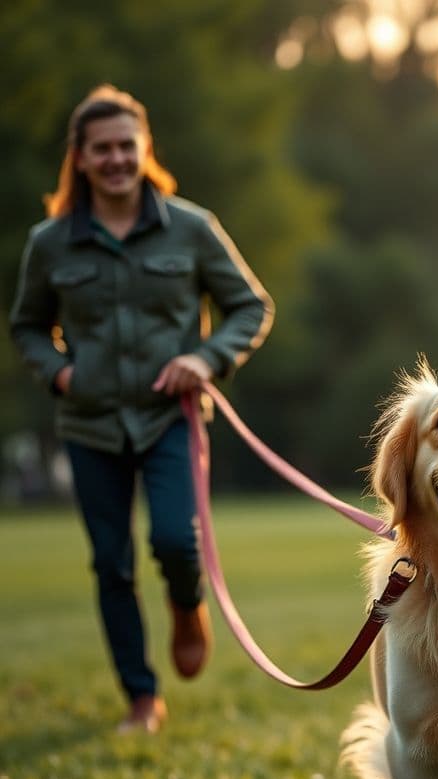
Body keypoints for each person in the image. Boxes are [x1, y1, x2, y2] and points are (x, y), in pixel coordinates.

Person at [9, 85, 274, 733]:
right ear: (80, 157)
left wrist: (207, 359)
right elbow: (27, 327)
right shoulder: (50, 243)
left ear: (145, 148)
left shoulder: (192, 227)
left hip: (170, 421)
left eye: (128, 146)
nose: (117, 159)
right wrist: (60, 373)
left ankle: (188, 608)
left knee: (174, 541)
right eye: (102, 149)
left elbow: (250, 306)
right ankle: (140, 697)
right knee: (110, 562)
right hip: (89, 423)